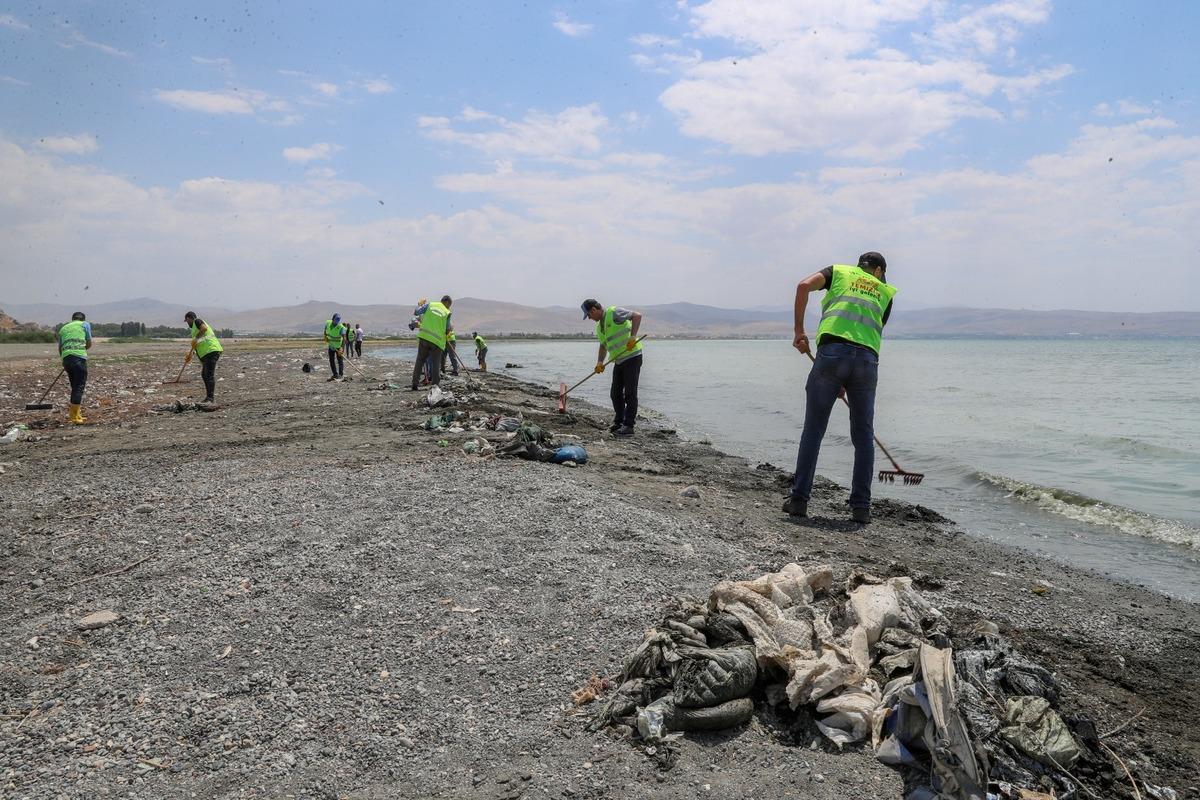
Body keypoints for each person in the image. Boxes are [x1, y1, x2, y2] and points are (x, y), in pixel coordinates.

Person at [783, 251, 897, 525]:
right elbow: (870, 330)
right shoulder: (885, 291)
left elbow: (802, 286)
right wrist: (847, 379)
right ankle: (861, 509)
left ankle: (799, 501)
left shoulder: (839, 272)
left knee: (814, 430)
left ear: (860, 266)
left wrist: (799, 331)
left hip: (832, 356)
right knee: (863, 436)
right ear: (879, 271)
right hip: (866, 362)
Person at [581, 299, 643, 436]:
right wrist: (599, 362)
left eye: (589, 316)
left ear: (593, 310)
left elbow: (637, 316)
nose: (590, 318)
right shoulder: (599, 327)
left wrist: (633, 337)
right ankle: (619, 422)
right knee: (615, 393)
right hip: (619, 360)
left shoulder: (614, 312)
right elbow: (603, 345)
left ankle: (628, 426)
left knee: (630, 393)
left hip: (632, 357)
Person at [410, 295, 452, 390]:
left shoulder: (430, 305)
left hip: (424, 337)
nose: (449, 307)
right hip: (437, 341)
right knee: (436, 363)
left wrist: (420, 305)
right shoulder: (447, 312)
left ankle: (414, 383)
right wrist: (446, 334)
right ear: (447, 303)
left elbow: (416, 312)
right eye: (449, 305)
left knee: (420, 360)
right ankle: (435, 385)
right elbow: (448, 328)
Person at [57, 311, 92, 424]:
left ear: (72, 319)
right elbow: (89, 343)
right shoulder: (84, 324)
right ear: (82, 319)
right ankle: (74, 417)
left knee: (74, 386)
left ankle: (77, 414)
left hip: (66, 358)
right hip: (78, 358)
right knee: (79, 386)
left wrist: (64, 360)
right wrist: (82, 348)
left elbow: (60, 348)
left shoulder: (63, 328)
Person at [184, 311, 224, 405]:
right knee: (204, 374)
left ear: (190, 318)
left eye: (187, 321)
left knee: (208, 375)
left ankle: (210, 398)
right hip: (206, 353)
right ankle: (208, 397)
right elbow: (198, 344)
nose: (187, 323)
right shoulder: (194, 329)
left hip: (211, 350)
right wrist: (190, 355)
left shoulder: (197, 321)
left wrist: (196, 338)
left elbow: (204, 329)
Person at [324, 313, 346, 381]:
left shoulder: (341, 327)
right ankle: (335, 374)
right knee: (331, 361)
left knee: (340, 361)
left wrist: (342, 348)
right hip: (331, 346)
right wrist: (325, 336)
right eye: (336, 320)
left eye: (338, 320)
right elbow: (325, 330)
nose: (337, 322)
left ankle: (341, 375)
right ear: (332, 319)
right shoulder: (328, 323)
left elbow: (344, 338)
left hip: (338, 346)